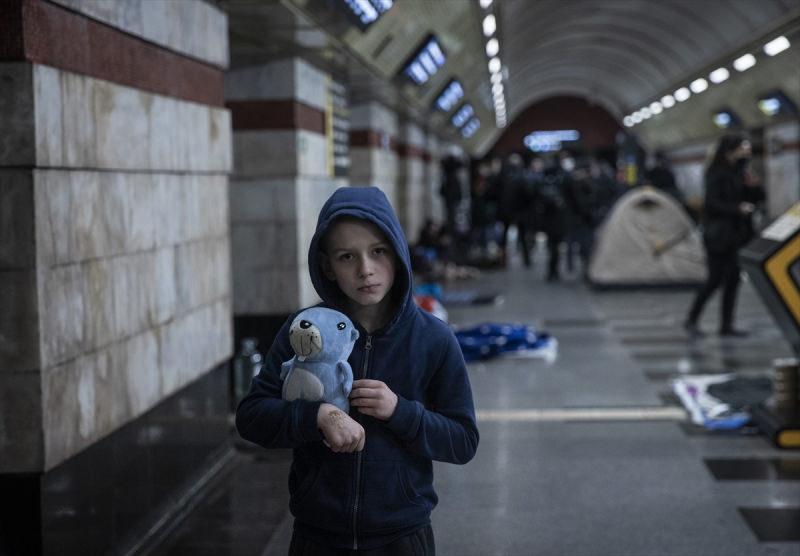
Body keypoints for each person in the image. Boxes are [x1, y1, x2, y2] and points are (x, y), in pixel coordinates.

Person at [236, 186, 479, 555]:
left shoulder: (434, 340)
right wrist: (318, 416)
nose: (366, 269)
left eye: (378, 252)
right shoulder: (304, 331)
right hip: (317, 535)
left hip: (402, 536)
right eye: (347, 256)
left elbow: (462, 441)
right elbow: (252, 416)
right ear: (327, 268)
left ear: (397, 255)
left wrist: (401, 412)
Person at [684, 134, 764, 337]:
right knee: (715, 279)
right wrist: (737, 208)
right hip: (719, 236)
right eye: (742, 146)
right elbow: (711, 203)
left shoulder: (741, 171)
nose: (746, 149)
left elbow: (756, 197)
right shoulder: (716, 172)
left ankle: (726, 325)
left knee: (733, 280)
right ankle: (692, 318)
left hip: (738, 235)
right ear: (731, 149)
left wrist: (754, 186)